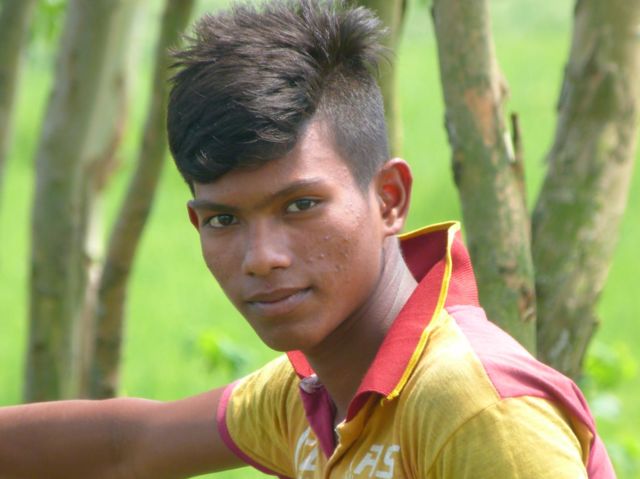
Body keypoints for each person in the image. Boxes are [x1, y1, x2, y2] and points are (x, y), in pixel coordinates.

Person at [0, 1, 615, 478]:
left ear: (389, 199)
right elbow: (126, 445)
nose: (262, 258)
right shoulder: (312, 395)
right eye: (224, 220)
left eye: (300, 206)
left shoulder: (477, 408)